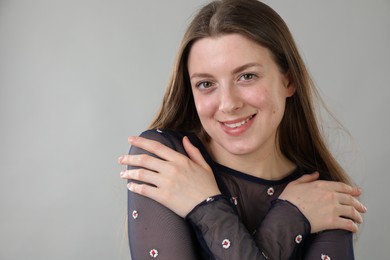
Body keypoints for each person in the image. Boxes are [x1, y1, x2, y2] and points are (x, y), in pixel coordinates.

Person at [118, 0, 367, 259]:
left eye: (246, 76)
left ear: (288, 81)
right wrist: (289, 220)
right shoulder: (166, 160)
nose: (228, 104)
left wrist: (207, 207)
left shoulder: (322, 197)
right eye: (206, 83)